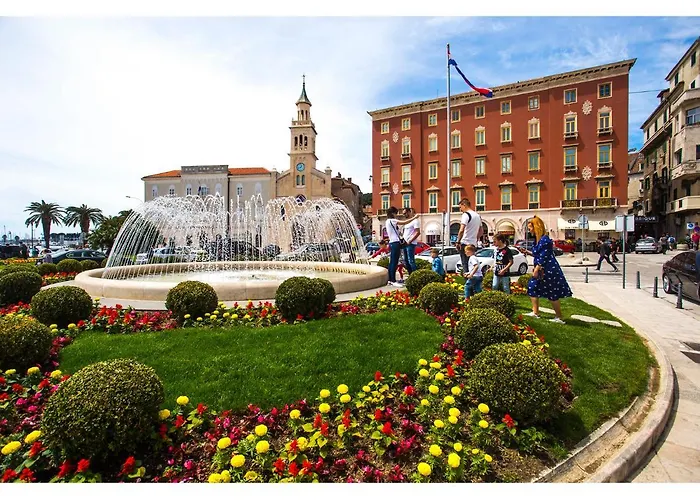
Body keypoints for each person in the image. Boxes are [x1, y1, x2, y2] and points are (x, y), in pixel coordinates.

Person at [525, 216, 572, 324]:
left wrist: (537, 268)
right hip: (541, 268)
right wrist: (528, 253)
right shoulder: (537, 240)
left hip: (548, 269)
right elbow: (539, 254)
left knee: (552, 292)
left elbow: (544, 256)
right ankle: (535, 312)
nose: (529, 230)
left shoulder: (545, 240)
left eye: (530, 227)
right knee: (532, 287)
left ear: (536, 227)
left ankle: (559, 317)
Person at [455, 198, 483, 277]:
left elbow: (461, 230)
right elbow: (481, 231)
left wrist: (458, 242)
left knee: (466, 265)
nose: (460, 209)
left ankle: (467, 282)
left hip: (465, 243)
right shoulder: (477, 216)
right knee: (472, 264)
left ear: (464, 205)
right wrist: (475, 238)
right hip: (473, 244)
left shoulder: (466, 215)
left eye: (460, 207)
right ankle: (474, 280)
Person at [401, 207, 421, 274]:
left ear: (409, 212)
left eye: (405, 213)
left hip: (410, 243)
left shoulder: (415, 221)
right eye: (403, 213)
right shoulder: (407, 222)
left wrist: (410, 240)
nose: (404, 215)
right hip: (405, 243)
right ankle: (410, 274)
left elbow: (418, 232)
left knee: (411, 261)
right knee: (406, 261)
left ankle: (415, 275)